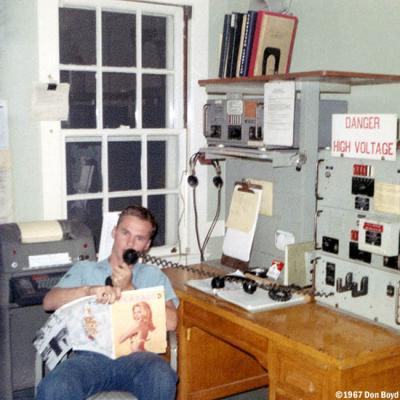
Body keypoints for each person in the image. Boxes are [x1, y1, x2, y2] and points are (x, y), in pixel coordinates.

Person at [36, 205, 178, 400]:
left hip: (139, 359)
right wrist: (89, 290)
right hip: (90, 358)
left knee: (162, 377)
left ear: (147, 245)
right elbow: (49, 302)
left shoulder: (153, 275)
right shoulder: (86, 269)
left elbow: (171, 322)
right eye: (125, 233)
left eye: (139, 238)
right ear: (114, 232)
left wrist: (130, 289)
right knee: (54, 387)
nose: (130, 243)